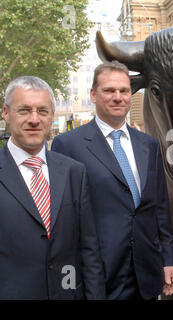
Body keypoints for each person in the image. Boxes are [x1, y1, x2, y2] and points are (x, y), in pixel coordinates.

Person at [51, 61, 173, 300]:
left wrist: (169, 259)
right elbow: (62, 220)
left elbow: (160, 207)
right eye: (109, 90)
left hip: (146, 273)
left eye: (124, 90)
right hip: (98, 277)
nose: (118, 97)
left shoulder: (149, 145)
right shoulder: (67, 145)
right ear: (93, 94)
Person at [0, 76, 105, 299]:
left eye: (43, 111)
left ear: (52, 116)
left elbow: (89, 250)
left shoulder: (74, 172)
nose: (34, 119)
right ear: (6, 113)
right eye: (24, 110)